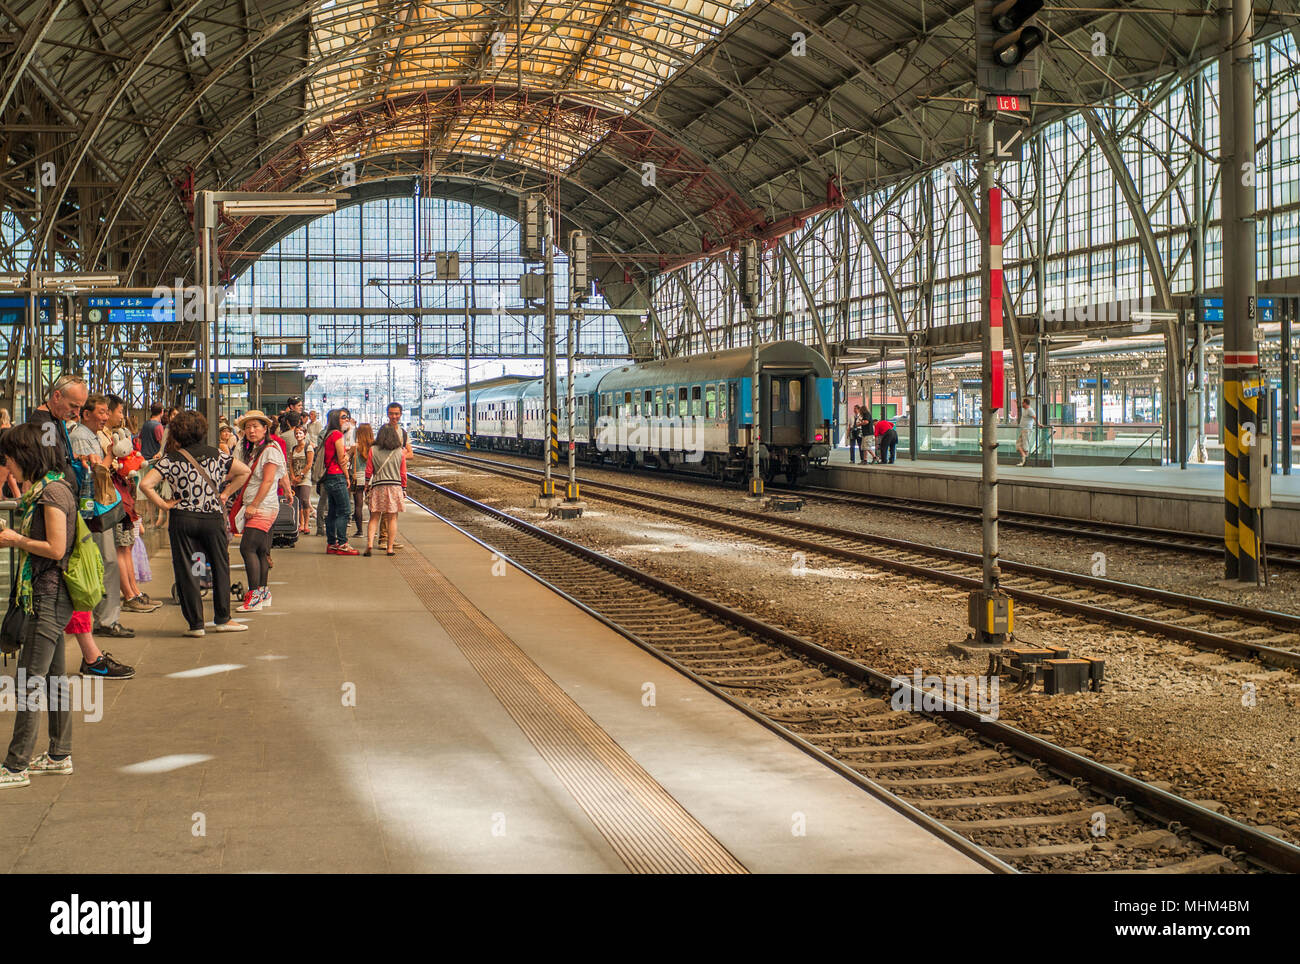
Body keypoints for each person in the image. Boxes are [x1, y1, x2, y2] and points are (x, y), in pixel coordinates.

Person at [0, 424, 79, 789]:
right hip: (53, 595)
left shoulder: (50, 494)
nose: (8, 465)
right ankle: (59, 753)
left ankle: (16, 765)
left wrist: (16, 539)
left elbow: (56, 548)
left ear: (25, 456)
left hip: (48, 595)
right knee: (53, 679)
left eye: (10, 457)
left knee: (28, 680)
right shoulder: (50, 488)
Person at [139, 409, 250, 637]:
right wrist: (226, 493)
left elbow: (145, 485)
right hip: (211, 518)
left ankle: (196, 625)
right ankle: (222, 618)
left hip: (182, 519)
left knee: (187, 569)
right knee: (220, 566)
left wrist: (164, 505)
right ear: (202, 430)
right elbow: (245, 471)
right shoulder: (216, 454)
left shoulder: (170, 458)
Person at [71, 394, 132, 640]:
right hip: (92, 511)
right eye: (102, 412)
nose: (106, 417)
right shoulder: (81, 437)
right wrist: (110, 455)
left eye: (108, 412)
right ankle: (106, 620)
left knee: (108, 562)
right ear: (86, 414)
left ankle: (106, 618)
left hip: (96, 510)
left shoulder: (89, 435)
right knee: (107, 562)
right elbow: (95, 474)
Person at [231, 411, 286, 613]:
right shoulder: (254, 449)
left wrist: (254, 504)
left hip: (263, 506)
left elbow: (269, 480)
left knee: (248, 548)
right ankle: (262, 593)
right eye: (248, 427)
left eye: (256, 426)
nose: (251, 430)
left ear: (265, 428)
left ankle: (254, 595)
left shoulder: (269, 450)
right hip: (261, 504)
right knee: (261, 550)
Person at [365, 423, 407, 558]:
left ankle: (370, 544)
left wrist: (366, 484)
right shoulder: (400, 452)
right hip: (395, 487)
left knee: (374, 517)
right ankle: (389, 548)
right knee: (392, 518)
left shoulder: (373, 450)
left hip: (378, 486)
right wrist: (404, 488)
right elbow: (403, 473)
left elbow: (369, 470)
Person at [320, 408, 357, 555]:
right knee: (345, 511)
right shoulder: (336, 434)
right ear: (336, 419)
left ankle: (331, 543)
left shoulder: (328, 434)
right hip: (337, 476)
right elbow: (342, 459)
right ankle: (342, 543)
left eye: (347, 417)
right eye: (343, 417)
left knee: (333, 511)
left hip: (329, 476)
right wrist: (347, 476)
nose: (346, 420)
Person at [378, 402, 413, 551]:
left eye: (396, 414)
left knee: (393, 510)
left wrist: (400, 455)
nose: (394, 416)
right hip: (385, 474)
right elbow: (377, 451)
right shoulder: (383, 431)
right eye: (391, 413)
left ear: (401, 414)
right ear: (387, 414)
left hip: (398, 475)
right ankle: (383, 539)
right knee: (387, 509)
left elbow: (411, 454)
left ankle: (389, 539)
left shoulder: (403, 433)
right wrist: (400, 454)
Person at [289, 426, 314, 534]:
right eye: (296, 433)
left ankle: (307, 523)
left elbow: (309, 464)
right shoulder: (293, 448)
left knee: (305, 499)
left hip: (305, 478)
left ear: (304, 434)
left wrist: (301, 476)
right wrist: (293, 476)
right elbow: (290, 463)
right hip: (295, 478)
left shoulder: (308, 447)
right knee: (298, 501)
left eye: (300, 433)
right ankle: (301, 523)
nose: (298, 435)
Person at [350, 423, 373, 539]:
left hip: (358, 477)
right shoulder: (374, 447)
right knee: (372, 506)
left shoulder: (355, 447)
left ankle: (360, 531)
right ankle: (372, 530)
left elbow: (346, 458)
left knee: (358, 505)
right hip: (371, 478)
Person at [1016, 397, 1039, 467]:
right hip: (1023, 429)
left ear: (1025, 403)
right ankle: (1024, 457)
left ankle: (1024, 461)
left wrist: (1039, 424)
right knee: (1018, 444)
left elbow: (1035, 417)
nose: (1022, 404)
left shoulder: (1030, 410)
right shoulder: (1025, 410)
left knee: (1025, 445)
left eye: (1023, 403)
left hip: (1027, 430)